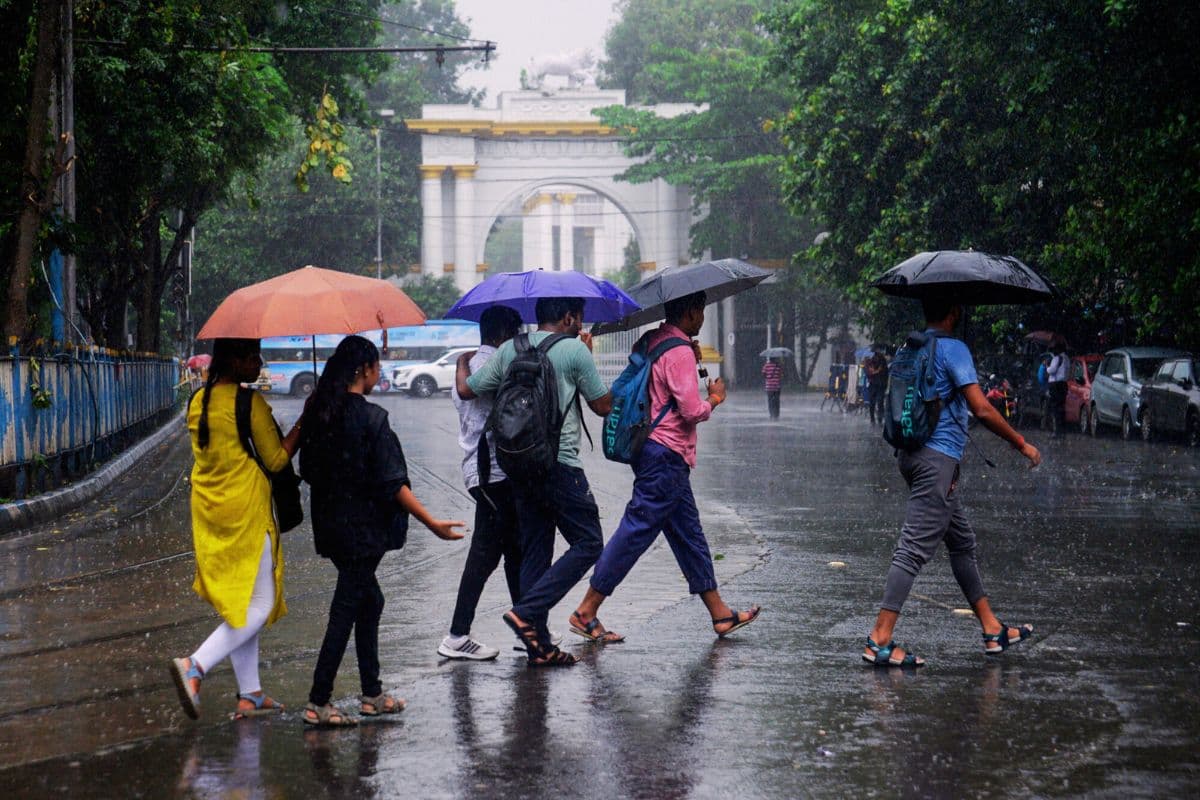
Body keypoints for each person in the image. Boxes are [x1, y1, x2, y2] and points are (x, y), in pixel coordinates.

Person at [569, 291, 761, 643]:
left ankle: (720, 613)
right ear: (690, 311)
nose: (702, 316)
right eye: (700, 309)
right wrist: (715, 398)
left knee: (689, 535)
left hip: (653, 451)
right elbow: (691, 410)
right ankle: (586, 610)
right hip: (666, 454)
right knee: (636, 530)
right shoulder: (678, 350)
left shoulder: (655, 340)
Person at [862, 295, 1041, 667]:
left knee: (962, 542)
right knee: (912, 548)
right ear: (954, 312)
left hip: (910, 456)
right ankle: (879, 638)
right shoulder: (953, 349)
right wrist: (1020, 443)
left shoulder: (910, 348)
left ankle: (992, 628)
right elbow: (981, 407)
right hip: (936, 462)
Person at [299, 335, 464, 726]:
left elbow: (307, 470)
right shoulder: (372, 419)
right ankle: (318, 700)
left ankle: (372, 694)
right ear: (365, 370)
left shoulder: (319, 413)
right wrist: (433, 523)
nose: (380, 372)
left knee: (369, 601)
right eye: (377, 366)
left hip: (332, 529)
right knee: (345, 611)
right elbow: (394, 484)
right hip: (364, 534)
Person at [455, 297, 612, 667]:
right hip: (560, 464)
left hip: (520, 464)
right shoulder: (574, 350)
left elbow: (469, 389)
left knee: (536, 550)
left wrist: (462, 361)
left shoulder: (510, 348)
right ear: (569, 316)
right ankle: (527, 612)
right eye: (580, 318)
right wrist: (585, 357)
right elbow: (602, 405)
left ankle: (538, 645)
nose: (581, 324)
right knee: (589, 543)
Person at [169, 338, 301, 721]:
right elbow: (276, 460)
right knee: (259, 604)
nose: (258, 362)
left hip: (212, 511)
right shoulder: (250, 403)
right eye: (251, 356)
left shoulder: (198, 401)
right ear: (233, 361)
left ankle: (251, 694)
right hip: (246, 512)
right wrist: (302, 426)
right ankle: (195, 665)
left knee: (243, 603)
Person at [439, 305, 526, 661]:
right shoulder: (497, 365)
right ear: (504, 333)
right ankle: (457, 634)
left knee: (512, 552)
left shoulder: (469, 363)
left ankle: (526, 627)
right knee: (486, 555)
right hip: (496, 473)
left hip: (480, 473)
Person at [1046, 344, 1069, 436]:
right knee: (1061, 407)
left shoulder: (1057, 358)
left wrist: (1047, 366)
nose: (1053, 351)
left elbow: (1052, 371)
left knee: (1055, 408)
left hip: (1055, 385)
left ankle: (1057, 431)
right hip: (1063, 384)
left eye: (1054, 349)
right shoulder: (1067, 358)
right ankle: (1062, 430)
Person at [865, 350, 888, 426]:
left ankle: (880, 419)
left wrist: (885, 384)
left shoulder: (883, 362)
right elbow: (869, 373)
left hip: (881, 385)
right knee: (872, 402)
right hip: (873, 385)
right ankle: (873, 419)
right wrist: (876, 371)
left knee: (880, 402)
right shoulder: (870, 362)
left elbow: (885, 374)